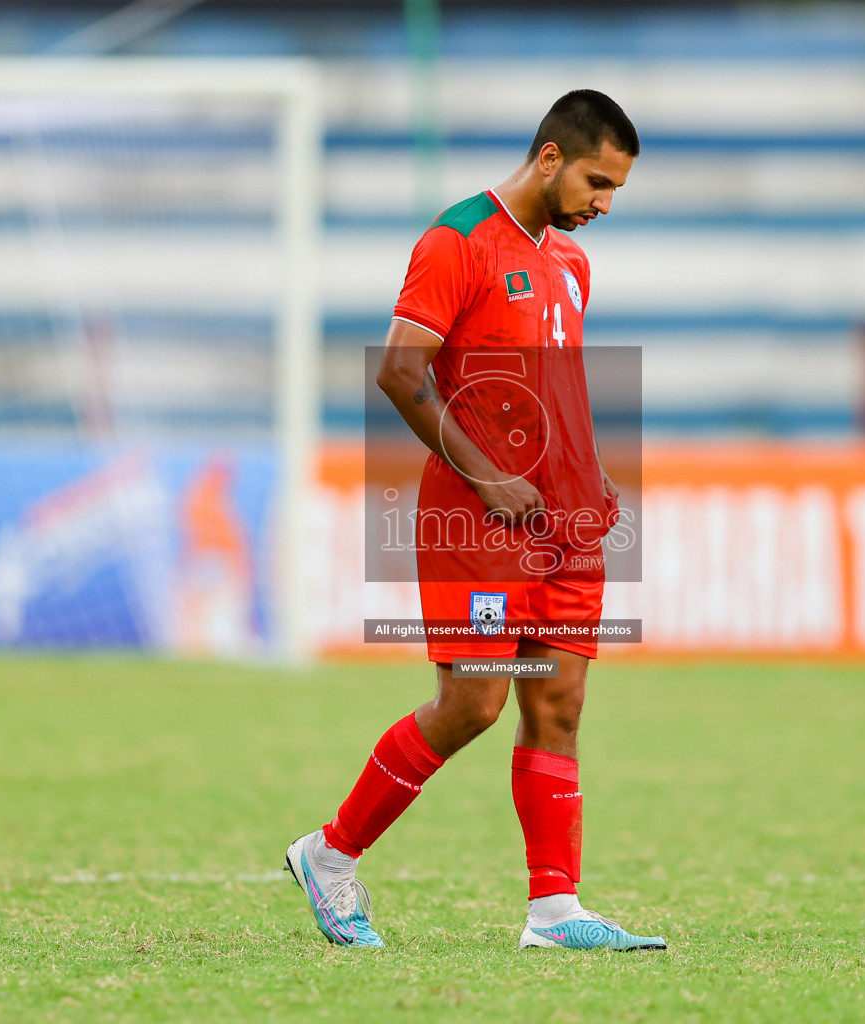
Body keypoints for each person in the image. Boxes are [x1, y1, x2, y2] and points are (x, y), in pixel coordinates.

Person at [284, 90, 664, 952]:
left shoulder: (569, 263)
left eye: (615, 190)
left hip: (565, 524)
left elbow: (552, 390)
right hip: (481, 521)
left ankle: (554, 913)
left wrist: (590, 475)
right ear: (549, 159)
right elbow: (399, 373)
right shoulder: (457, 239)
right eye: (598, 183)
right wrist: (488, 477)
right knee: (474, 703)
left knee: (559, 706)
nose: (604, 204)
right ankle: (331, 855)